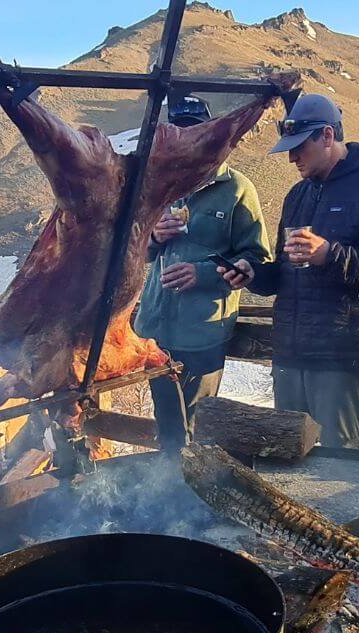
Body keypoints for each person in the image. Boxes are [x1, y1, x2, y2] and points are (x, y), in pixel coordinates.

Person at [223, 94, 359, 449]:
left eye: (299, 147)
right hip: (290, 353)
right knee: (287, 454)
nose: (292, 157)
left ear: (327, 135)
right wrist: (254, 274)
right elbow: (285, 272)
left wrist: (330, 254)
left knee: (339, 463)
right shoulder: (297, 195)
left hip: (342, 354)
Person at [134, 95, 273, 451]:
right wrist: (152, 236)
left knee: (196, 428)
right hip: (156, 329)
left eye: (194, 131)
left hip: (203, 331)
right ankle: (169, 497)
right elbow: (136, 252)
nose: (186, 139)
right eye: (179, 132)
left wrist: (206, 274)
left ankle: (194, 496)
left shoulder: (237, 189)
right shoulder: (161, 187)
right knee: (166, 426)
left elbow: (257, 258)